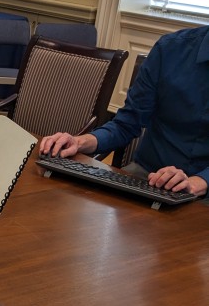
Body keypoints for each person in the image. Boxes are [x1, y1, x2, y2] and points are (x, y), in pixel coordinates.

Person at [39, 24, 209, 198]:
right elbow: (127, 123)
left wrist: (198, 182)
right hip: (148, 178)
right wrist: (79, 142)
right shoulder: (170, 50)